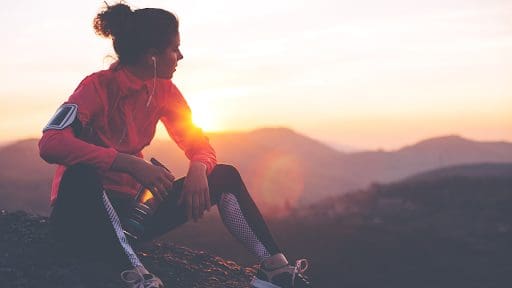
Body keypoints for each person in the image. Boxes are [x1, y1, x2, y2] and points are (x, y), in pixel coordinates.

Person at [38, 2, 311, 288]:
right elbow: (51, 143)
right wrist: (128, 163)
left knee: (224, 176)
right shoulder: (96, 87)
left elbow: (198, 142)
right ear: (152, 56)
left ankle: (274, 270)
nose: (180, 56)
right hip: (82, 216)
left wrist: (198, 167)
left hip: (132, 218)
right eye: (174, 49)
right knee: (81, 174)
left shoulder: (164, 90)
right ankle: (131, 274)